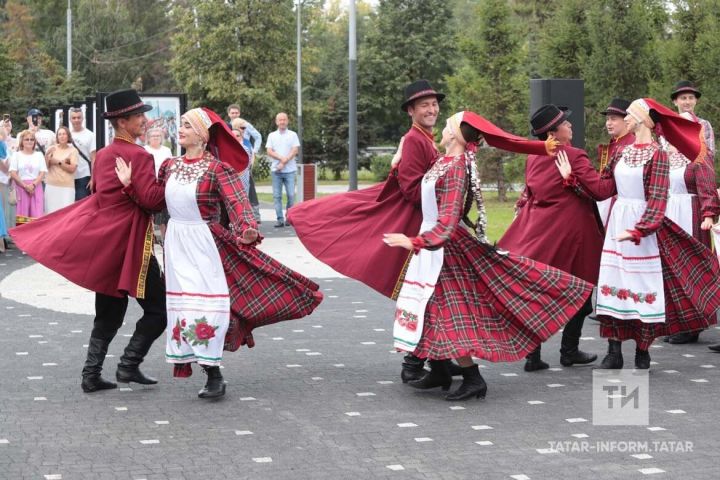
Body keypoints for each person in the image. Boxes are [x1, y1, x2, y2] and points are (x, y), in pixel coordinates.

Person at [383, 111, 593, 400]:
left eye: (447, 126)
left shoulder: (456, 167)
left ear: (456, 134)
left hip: (444, 249)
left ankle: (472, 377)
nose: (441, 128)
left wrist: (415, 241)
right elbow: (418, 190)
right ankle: (440, 368)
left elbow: (449, 218)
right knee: (429, 309)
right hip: (431, 246)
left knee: (448, 311)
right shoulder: (441, 162)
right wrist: (397, 163)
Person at [117, 107, 323, 399]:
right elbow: (153, 203)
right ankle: (210, 372)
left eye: (188, 125)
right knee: (185, 308)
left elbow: (238, 203)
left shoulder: (217, 169)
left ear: (202, 134)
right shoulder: (170, 166)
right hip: (176, 245)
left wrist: (248, 229)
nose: (182, 129)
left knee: (207, 307)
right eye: (182, 125)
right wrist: (130, 186)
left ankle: (213, 374)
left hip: (205, 244)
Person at [289, 79, 451, 383]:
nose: (432, 109)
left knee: (430, 294)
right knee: (423, 293)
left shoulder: (425, 139)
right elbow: (412, 189)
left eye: (434, 104)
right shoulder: (416, 140)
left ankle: (439, 359)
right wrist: (445, 189)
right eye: (424, 105)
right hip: (417, 228)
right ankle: (416, 363)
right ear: (411, 111)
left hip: (427, 226)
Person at [10, 89, 167, 393]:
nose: (144, 121)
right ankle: (129, 364)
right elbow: (152, 202)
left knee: (109, 311)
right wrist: (168, 181)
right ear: (123, 122)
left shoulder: (105, 155)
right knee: (159, 310)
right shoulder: (140, 156)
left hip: (107, 245)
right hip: (134, 246)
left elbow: (99, 196)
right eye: (139, 116)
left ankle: (91, 374)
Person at [554, 98, 720, 369]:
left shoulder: (658, 155)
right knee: (612, 290)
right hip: (618, 227)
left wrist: (639, 230)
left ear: (643, 119)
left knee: (642, 290)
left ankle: (642, 352)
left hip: (643, 232)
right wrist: (573, 179)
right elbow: (603, 190)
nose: (624, 119)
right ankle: (614, 352)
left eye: (629, 115)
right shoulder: (621, 152)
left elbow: (657, 201)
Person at [498, 104, 602, 372]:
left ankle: (533, 355)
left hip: (542, 231)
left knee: (540, 291)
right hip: (573, 233)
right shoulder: (574, 156)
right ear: (553, 133)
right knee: (581, 289)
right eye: (566, 124)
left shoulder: (533, 157)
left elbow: (533, 192)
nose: (571, 126)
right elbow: (600, 191)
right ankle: (569, 351)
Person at [596, 98, 635, 227]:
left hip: (626, 206)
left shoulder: (633, 144)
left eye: (613, 119)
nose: (608, 123)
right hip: (607, 202)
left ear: (626, 121)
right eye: (607, 119)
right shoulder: (610, 146)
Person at [266, 112, 300, 227]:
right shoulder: (272, 135)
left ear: (287, 121)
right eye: (280, 120)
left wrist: (285, 161)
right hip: (276, 171)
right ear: (276, 122)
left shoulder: (293, 134)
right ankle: (280, 219)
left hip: (290, 171)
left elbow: (295, 150)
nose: (282, 122)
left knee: (291, 195)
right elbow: (269, 151)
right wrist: (282, 159)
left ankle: (289, 218)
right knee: (277, 196)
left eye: (284, 119)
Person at [671, 80, 714, 169]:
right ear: (675, 101)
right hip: (673, 174)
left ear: (695, 101)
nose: (688, 102)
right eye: (683, 98)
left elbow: (710, 154)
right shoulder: (669, 125)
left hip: (697, 173)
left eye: (691, 98)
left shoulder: (704, 124)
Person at [9, 130, 46, 225]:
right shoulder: (16, 155)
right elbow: (13, 173)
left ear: (34, 141)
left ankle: (36, 239)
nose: (29, 141)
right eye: (27, 139)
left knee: (36, 217)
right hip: (21, 187)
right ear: (22, 141)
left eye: (32, 139)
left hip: (36, 187)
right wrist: (25, 186)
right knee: (21, 218)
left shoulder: (39, 155)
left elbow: (42, 172)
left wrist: (33, 185)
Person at [44, 126, 78, 213]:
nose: (62, 136)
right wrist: (47, 155)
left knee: (66, 214)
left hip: (67, 188)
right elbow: (46, 167)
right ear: (57, 137)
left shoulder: (73, 151)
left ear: (68, 136)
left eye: (64, 134)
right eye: (59, 134)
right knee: (51, 213)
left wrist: (57, 162)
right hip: (51, 186)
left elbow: (72, 169)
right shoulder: (51, 149)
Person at [68, 107, 96, 201]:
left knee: (81, 205)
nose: (76, 120)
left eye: (79, 117)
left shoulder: (90, 135)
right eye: (74, 118)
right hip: (68, 176)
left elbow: (94, 159)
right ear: (70, 119)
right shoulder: (66, 135)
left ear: (82, 118)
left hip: (84, 175)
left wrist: (93, 178)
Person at [230, 117, 253, 192]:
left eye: (245, 128)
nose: (244, 130)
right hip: (231, 178)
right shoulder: (227, 147)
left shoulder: (246, 143)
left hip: (244, 176)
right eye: (242, 128)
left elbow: (249, 161)